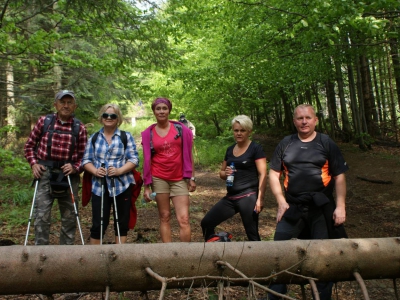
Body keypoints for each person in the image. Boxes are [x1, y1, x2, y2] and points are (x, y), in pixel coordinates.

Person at [267, 104, 348, 300]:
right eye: (300, 118)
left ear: (315, 120)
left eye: (308, 118)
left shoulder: (326, 143)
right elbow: (273, 173)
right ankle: (275, 296)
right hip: (292, 207)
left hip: (320, 208)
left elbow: (339, 177)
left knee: (322, 258)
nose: (304, 122)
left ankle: (321, 296)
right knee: (279, 253)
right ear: (294, 121)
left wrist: (340, 206)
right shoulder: (286, 143)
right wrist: (280, 201)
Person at [24, 90, 87, 245]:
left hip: (68, 176)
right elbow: (29, 146)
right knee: (42, 216)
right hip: (44, 174)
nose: (65, 106)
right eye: (62, 102)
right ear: (55, 104)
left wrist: (75, 168)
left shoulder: (80, 128)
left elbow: (84, 156)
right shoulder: (44, 122)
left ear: (74, 106)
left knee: (69, 217)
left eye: (69, 102)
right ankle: (41, 255)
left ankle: (65, 256)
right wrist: (34, 163)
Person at [201, 115, 267, 241]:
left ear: (249, 131)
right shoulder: (230, 149)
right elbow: (221, 173)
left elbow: (263, 174)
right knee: (206, 223)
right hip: (231, 197)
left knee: (252, 233)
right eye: (236, 130)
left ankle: (261, 259)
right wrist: (226, 173)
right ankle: (214, 250)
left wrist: (260, 199)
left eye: (242, 130)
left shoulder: (255, 148)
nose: (239, 133)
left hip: (248, 196)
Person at [82, 104, 139, 244]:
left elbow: (134, 159)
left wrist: (119, 170)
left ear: (118, 118)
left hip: (122, 185)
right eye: (105, 115)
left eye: (113, 116)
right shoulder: (94, 138)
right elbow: (86, 160)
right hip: (99, 186)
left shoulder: (126, 137)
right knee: (98, 224)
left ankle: (119, 258)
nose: (109, 118)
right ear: (101, 118)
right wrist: (95, 170)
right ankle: (94, 259)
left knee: (121, 224)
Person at [141, 97, 196, 242]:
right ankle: (168, 256)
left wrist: (191, 177)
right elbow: (147, 160)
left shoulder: (181, 129)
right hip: (159, 178)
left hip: (178, 178)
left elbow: (189, 154)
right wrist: (146, 187)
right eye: (158, 109)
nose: (161, 111)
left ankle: (185, 255)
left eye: (164, 108)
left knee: (184, 219)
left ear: (169, 110)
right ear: (154, 111)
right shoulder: (149, 133)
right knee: (164, 216)